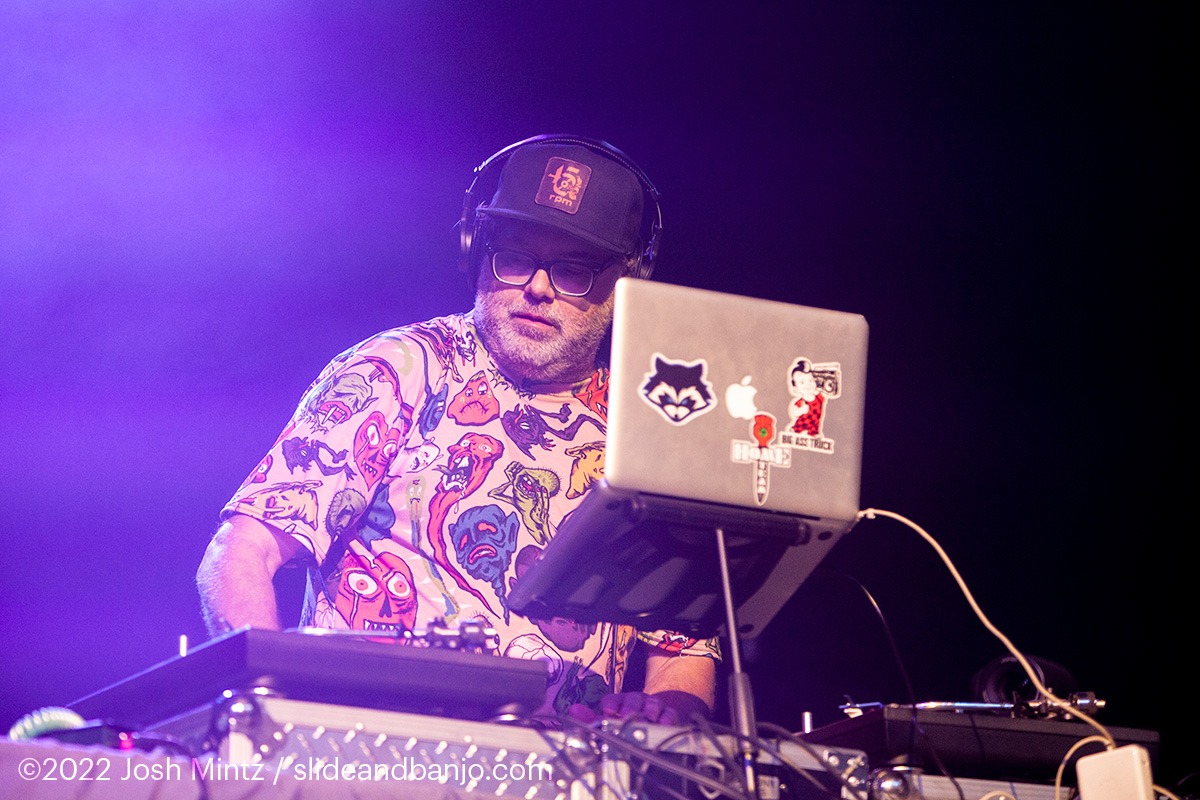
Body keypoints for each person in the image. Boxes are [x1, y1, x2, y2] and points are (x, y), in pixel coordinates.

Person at [196, 135, 718, 727]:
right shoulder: (398, 370)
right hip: (369, 754)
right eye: (515, 257)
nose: (538, 287)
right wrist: (267, 709)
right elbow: (243, 549)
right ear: (477, 253)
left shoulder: (645, 432)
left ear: (626, 285)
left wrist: (663, 717)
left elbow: (685, 652)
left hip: (569, 769)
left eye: (574, 270)